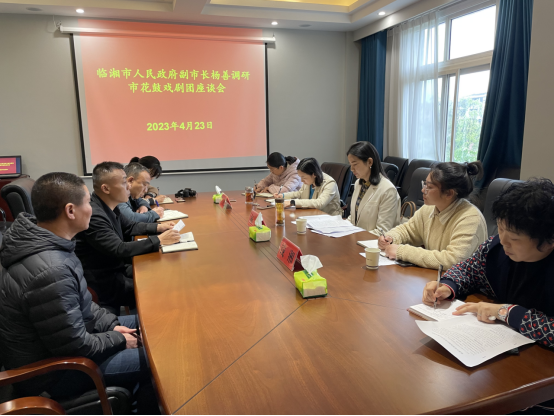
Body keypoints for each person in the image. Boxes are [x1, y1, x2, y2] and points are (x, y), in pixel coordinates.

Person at [0, 172, 158, 414]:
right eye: (87, 202)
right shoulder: (50, 269)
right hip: (57, 372)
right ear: (71, 211)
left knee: (155, 323)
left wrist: (112, 325)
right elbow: (74, 345)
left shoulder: (52, 243)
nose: (92, 209)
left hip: (75, 339)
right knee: (158, 358)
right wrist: (118, 339)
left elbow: (82, 301)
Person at [423, 178, 554, 344]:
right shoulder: (494, 248)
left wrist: (507, 312)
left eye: (514, 238)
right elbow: (467, 270)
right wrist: (447, 286)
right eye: (500, 228)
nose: (503, 241)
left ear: (549, 240)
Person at [75, 162, 180, 312]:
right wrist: (159, 240)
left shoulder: (110, 206)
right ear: (106, 189)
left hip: (117, 269)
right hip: (105, 282)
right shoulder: (95, 215)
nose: (129, 186)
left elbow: (130, 226)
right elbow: (119, 249)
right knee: (163, 288)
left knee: (164, 273)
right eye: (124, 182)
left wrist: (159, 227)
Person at [378, 161, 487, 270]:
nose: (423, 190)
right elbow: (408, 230)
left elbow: (452, 260)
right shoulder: (429, 208)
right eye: (424, 184)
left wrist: (402, 251)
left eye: (429, 187)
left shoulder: (470, 219)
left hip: (459, 280)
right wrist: (391, 238)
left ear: (449, 193)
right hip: (435, 276)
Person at [346, 142, 400, 234]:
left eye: (355, 164)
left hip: (373, 242)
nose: (352, 169)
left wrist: (355, 236)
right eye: (350, 164)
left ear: (369, 162)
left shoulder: (388, 190)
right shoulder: (358, 183)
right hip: (357, 238)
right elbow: (354, 218)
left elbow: (382, 231)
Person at [274, 157, 342, 216]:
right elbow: (300, 193)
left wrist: (293, 202)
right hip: (312, 215)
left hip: (329, 217)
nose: (301, 180)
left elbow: (320, 203)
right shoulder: (309, 180)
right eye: (300, 177)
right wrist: (282, 196)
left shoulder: (330, 183)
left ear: (314, 174)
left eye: (303, 177)